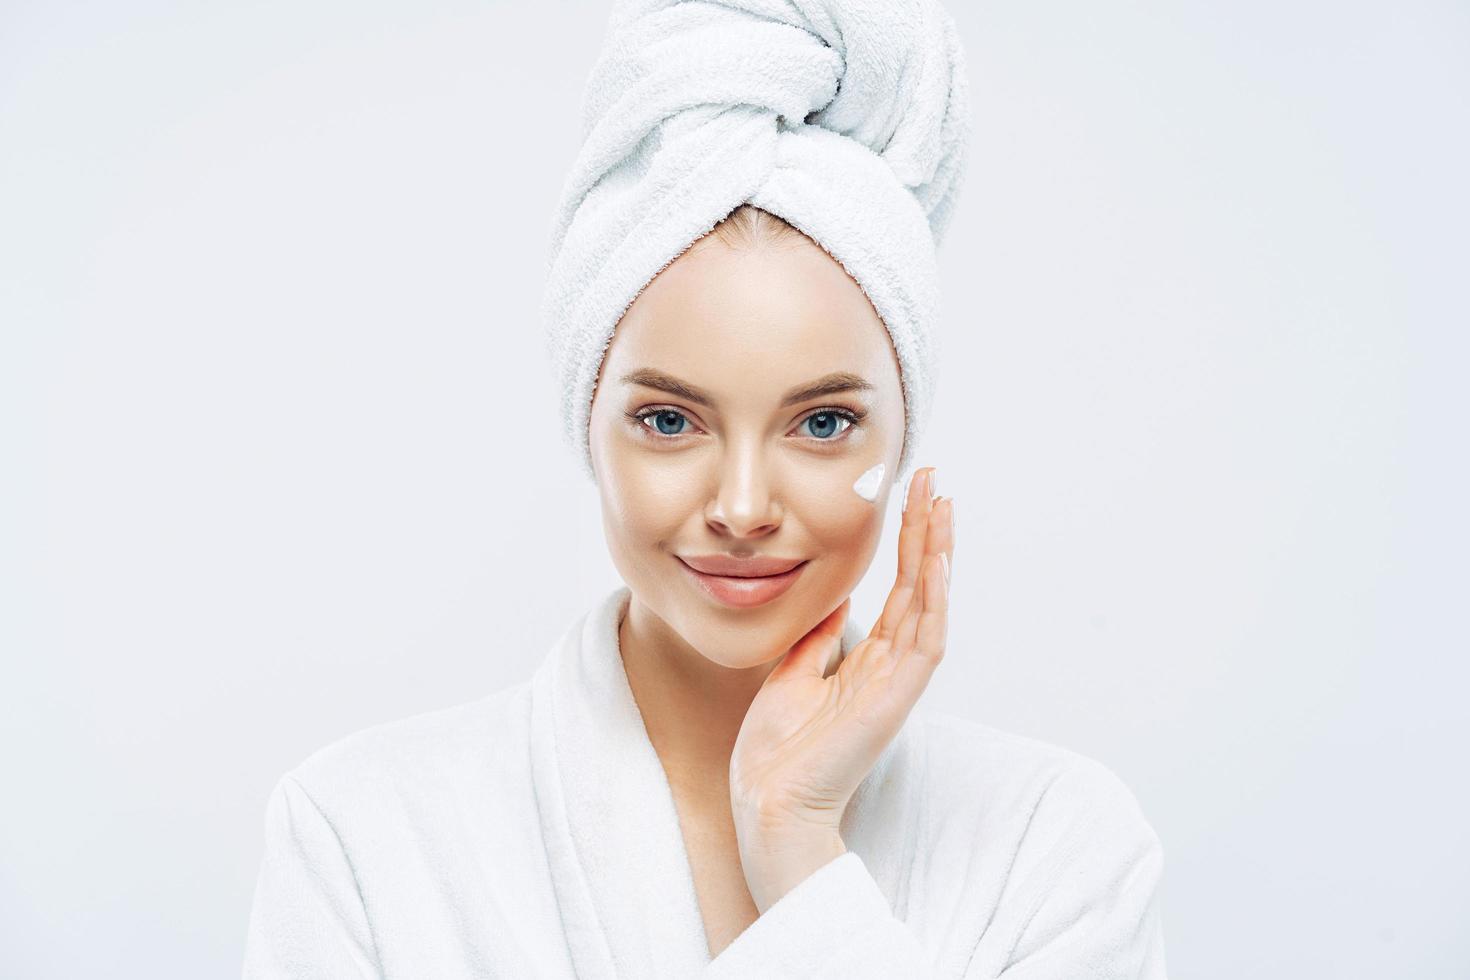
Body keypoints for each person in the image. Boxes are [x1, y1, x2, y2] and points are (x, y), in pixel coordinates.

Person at [243, 2, 1167, 978]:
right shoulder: (362, 837)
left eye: (821, 423)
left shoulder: (1053, 844)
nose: (740, 504)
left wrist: (799, 845)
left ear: (903, 439)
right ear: (587, 424)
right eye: (671, 420)